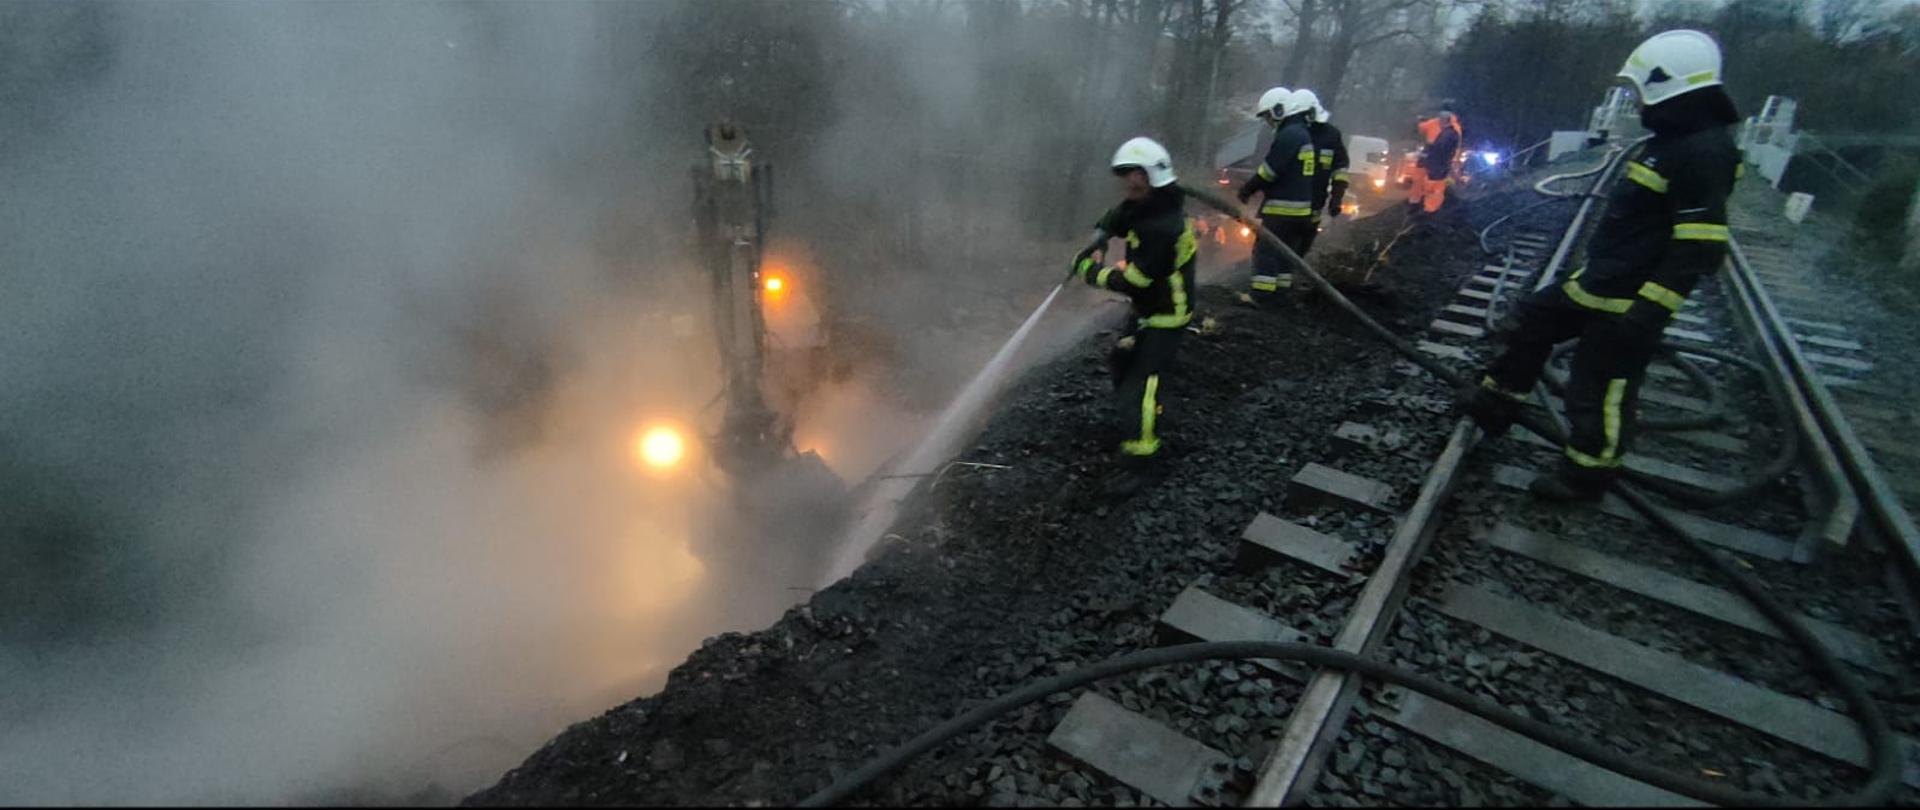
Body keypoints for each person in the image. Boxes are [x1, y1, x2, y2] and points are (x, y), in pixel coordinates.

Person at [1461, 29, 1742, 502]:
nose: (1636, 101)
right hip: (1600, 282)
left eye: (1639, 90)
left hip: (1628, 300)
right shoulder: (1670, 142)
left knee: (1600, 385)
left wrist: (1649, 312)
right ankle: (1497, 403)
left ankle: (1587, 473)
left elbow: (1701, 249)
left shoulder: (1703, 152)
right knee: (1529, 321)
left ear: (1664, 83)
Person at [1069, 136, 1199, 496]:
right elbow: (1120, 215)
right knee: (1122, 365)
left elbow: (1135, 281)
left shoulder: (1165, 227)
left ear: (1154, 175)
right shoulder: (1147, 205)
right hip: (1148, 312)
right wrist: (1100, 236)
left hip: (1165, 315)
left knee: (1138, 390)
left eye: (1136, 174)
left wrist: (1087, 271)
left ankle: (1141, 461)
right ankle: (1141, 423)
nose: (1129, 182)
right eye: (1125, 174)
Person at [1236, 88, 1318, 301]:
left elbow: (1269, 171)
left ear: (1280, 110)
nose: (1269, 122)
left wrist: (1247, 189)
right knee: (1285, 254)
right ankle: (1280, 295)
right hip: (1300, 211)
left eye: (1268, 116)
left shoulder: (1289, 135)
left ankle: (1262, 296)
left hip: (1282, 209)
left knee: (1265, 251)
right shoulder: (1303, 133)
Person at [1296, 89, 1352, 225]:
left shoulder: (1331, 135)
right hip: (1285, 209)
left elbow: (1341, 169)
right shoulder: (1293, 134)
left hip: (1314, 207)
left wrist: (1336, 199)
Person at [1409, 109, 1460, 214]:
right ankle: (1427, 207)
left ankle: (1422, 206)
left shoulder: (1435, 123)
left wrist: (1419, 121)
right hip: (1439, 159)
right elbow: (1454, 148)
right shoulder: (1455, 130)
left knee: (1430, 184)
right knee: (1432, 184)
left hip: (1435, 158)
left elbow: (1420, 128)